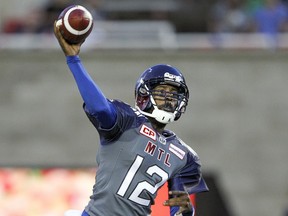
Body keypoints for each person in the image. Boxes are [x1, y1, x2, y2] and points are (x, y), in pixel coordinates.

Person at [54, 20, 208, 216]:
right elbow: (99, 108)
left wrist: (184, 211)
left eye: (174, 93)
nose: (169, 98)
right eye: (162, 91)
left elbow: (181, 205)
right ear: (144, 95)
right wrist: (73, 60)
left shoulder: (185, 156)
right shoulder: (128, 119)